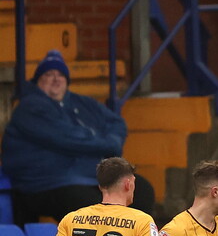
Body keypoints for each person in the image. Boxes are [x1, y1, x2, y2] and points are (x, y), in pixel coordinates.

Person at [1, 50, 154, 224]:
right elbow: (67, 138)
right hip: (45, 183)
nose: (56, 79)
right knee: (88, 204)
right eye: (49, 74)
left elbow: (116, 122)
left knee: (139, 189)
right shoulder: (29, 107)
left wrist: (112, 141)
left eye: (60, 75)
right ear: (38, 81)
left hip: (87, 175)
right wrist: (103, 142)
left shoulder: (82, 103)